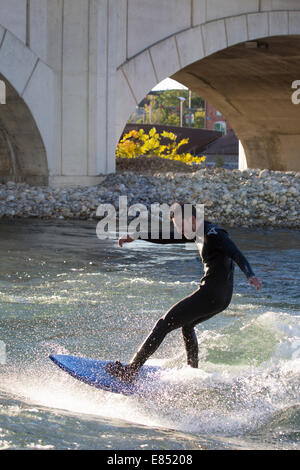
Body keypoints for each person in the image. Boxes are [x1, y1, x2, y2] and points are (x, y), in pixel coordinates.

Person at [106, 203, 262, 382]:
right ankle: (193, 373)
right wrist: (137, 235)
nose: (179, 230)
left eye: (180, 225)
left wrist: (251, 275)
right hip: (222, 299)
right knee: (187, 326)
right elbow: (167, 238)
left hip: (210, 294)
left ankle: (131, 371)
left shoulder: (215, 234)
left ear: (192, 220)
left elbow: (236, 253)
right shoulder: (199, 231)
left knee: (163, 324)